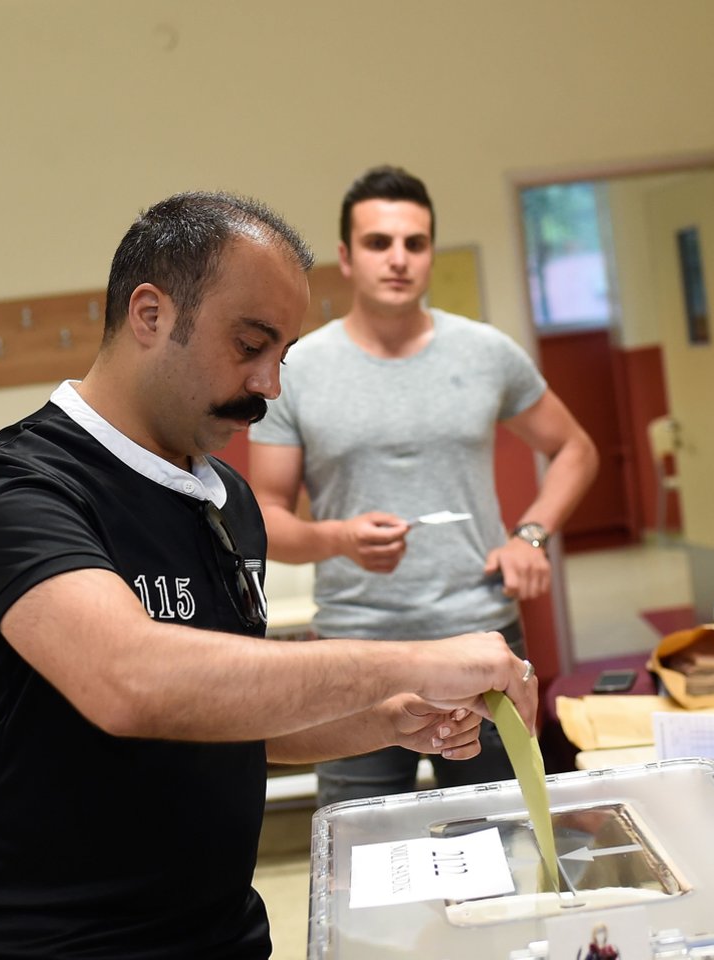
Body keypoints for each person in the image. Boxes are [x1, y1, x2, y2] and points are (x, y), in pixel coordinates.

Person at [0, 191, 538, 960]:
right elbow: (131, 681)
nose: (270, 385)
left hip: (222, 934)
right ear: (150, 315)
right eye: (249, 345)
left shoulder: (226, 502)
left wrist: (393, 717)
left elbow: (229, 716)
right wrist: (417, 656)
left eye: (281, 354)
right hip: (49, 944)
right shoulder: (17, 489)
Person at [248, 165, 597, 805]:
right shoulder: (299, 369)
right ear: (348, 258)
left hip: (479, 640)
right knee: (359, 853)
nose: (399, 258)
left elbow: (575, 448)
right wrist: (338, 539)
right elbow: (264, 517)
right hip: (354, 650)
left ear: (431, 252)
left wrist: (529, 536)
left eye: (416, 243)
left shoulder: (485, 351)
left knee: (510, 840)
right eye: (380, 243)